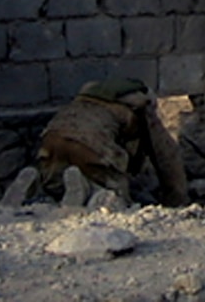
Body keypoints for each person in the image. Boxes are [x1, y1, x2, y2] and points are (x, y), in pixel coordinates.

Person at [36, 77, 189, 208]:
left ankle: (44, 189)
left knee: (54, 185)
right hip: (91, 144)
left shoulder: (87, 99)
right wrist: (178, 199)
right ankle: (89, 190)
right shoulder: (141, 107)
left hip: (51, 139)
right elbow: (166, 156)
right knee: (116, 193)